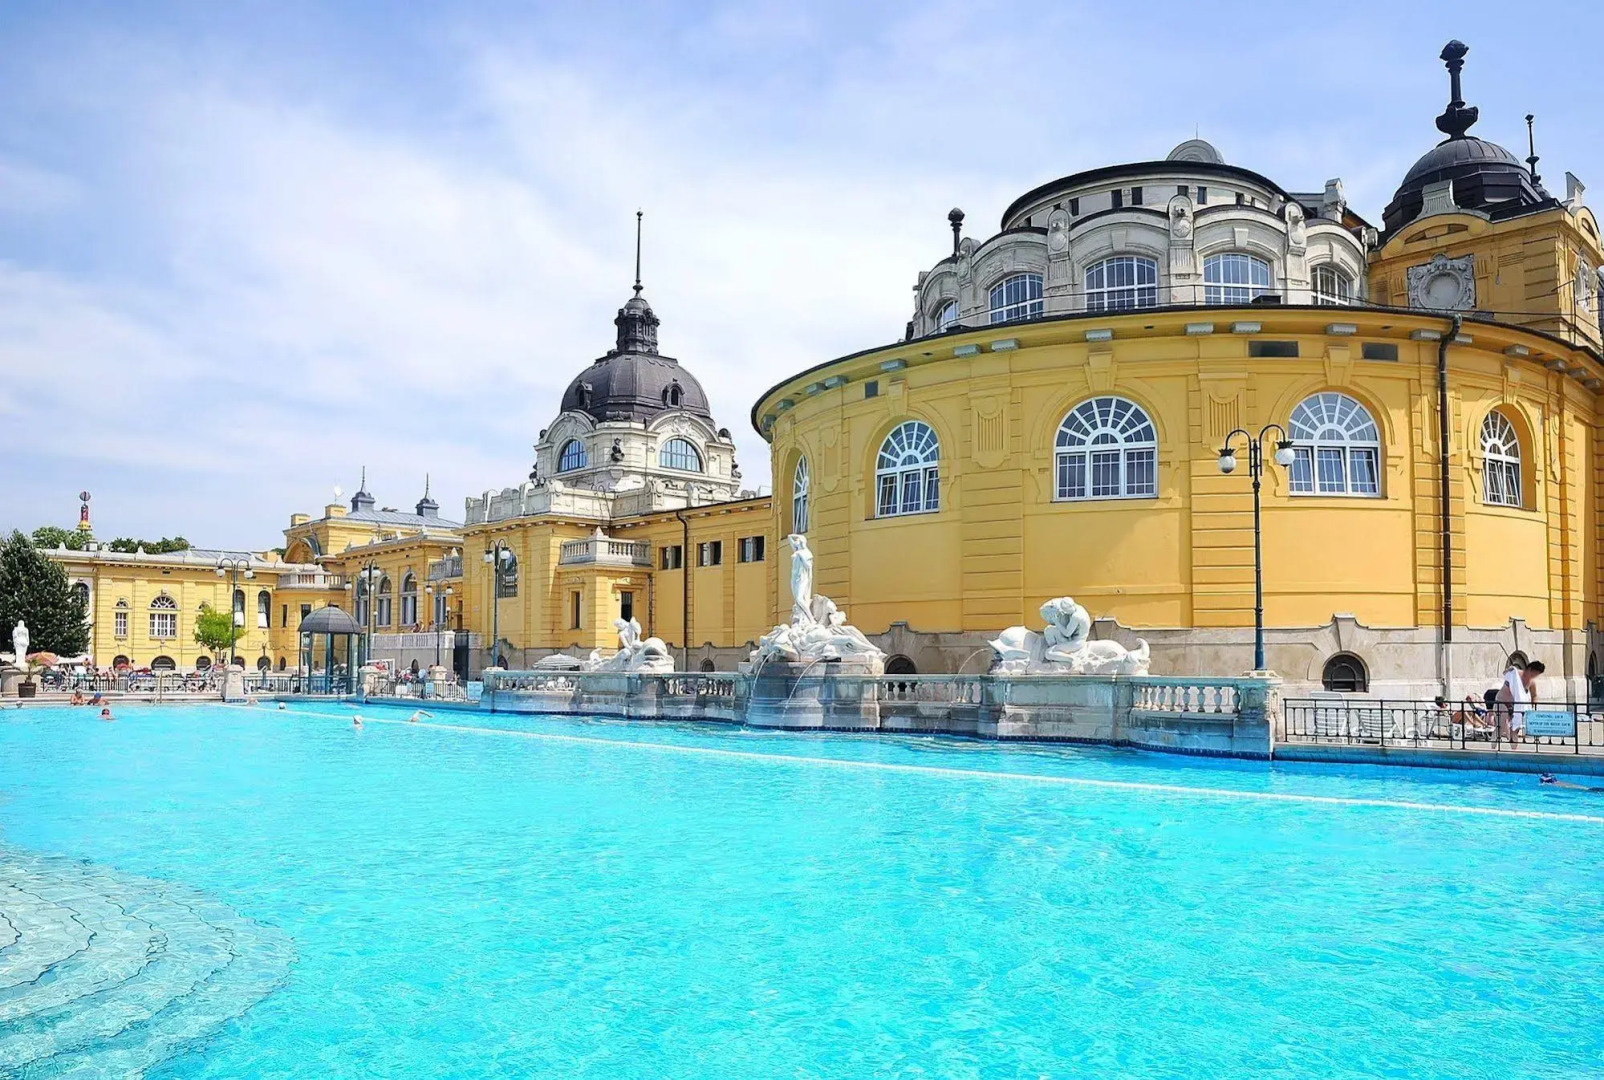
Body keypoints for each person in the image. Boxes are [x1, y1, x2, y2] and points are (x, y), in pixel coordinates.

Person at [1496, 660, 1545, 741]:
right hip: (1505, 700)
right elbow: (1505, 675)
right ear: (1529, 669)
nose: (1534, 676)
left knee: (1517, 722)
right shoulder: (1515, 674)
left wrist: (1533, 707)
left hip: (1519, 706)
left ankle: (1513, 737)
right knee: (1504, 720)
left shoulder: (1532, 682)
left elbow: (1534, 695)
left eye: (1537, 675)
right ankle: (1507, 737)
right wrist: (1509, 670)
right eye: (1534, 673)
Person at [1540, 773, 1604, 792]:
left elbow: (1543, 784)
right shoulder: (1558, 782)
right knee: (1587, 788)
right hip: (1575, 786)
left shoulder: (1550, 785)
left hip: (1574, 788)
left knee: (1586, 789)